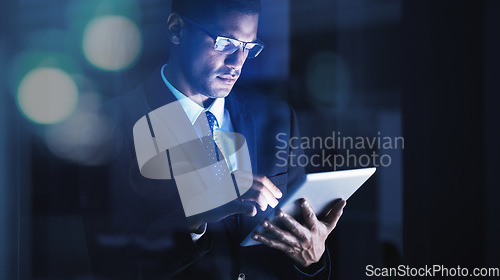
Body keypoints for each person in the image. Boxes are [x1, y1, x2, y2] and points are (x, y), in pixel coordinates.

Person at [80, 0, 346, 279]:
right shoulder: (108, 127)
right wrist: (195, 216)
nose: (237, 63)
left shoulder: (278, 118)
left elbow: (293, 245)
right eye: (226, 43)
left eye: (248, 48)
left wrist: (310, 261)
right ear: (176, 29)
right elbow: (111, 265)